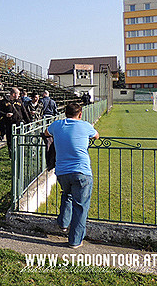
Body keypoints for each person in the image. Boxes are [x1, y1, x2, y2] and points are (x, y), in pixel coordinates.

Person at [45, 102, 99, 248]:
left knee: (67, 195)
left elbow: (46, 133)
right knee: (80, 206)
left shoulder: (57, 125)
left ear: (65, 113)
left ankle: (63, 223)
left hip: (62, 171)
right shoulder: (85, 125)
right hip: (82, 172)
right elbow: (96, 136)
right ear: (80, 114)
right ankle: (75, 240)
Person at [0, 87, 31, 156]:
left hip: (18, 124)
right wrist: (6, 114)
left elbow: (24, 112)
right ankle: (11, 154)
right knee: (10, 140)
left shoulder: (19, 101)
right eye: (18, 94)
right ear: (13, 94)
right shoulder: (4, 102)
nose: (19, 95)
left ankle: (19, 153)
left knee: (19, 139)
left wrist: (28, 122)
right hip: (9, 124)